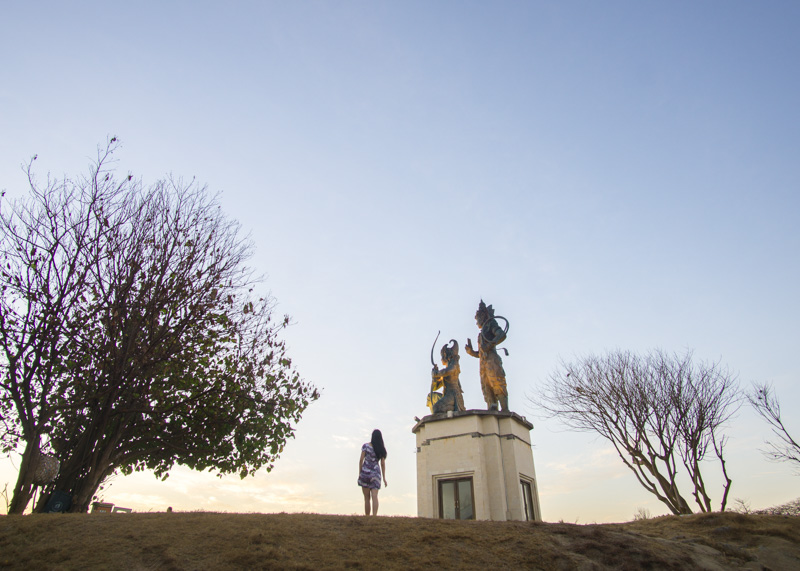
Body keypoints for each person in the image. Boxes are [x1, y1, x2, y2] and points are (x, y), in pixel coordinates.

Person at [465, 300, 509, 411]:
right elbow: (481, 353)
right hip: (483, 362)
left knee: (497, 382)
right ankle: (492, 407)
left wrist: (490, 344)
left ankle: (505, 409)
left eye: (477, 319)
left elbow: (501, 334)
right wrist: (471, 352)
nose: (476, 322)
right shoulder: (481, 333)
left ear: (483, 316)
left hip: (492, 360)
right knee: (486, 387)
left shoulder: (490, 323)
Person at [357, 429, 388, 515]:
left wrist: (360, 473)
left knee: (366, 498)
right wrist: (384, 478)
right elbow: (382, 464)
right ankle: (374, 516)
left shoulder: (365, 446)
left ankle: (367, 517)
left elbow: (361, 460)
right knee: (375, 496)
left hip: (365, 473)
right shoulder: (381, 449)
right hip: (375, 474)